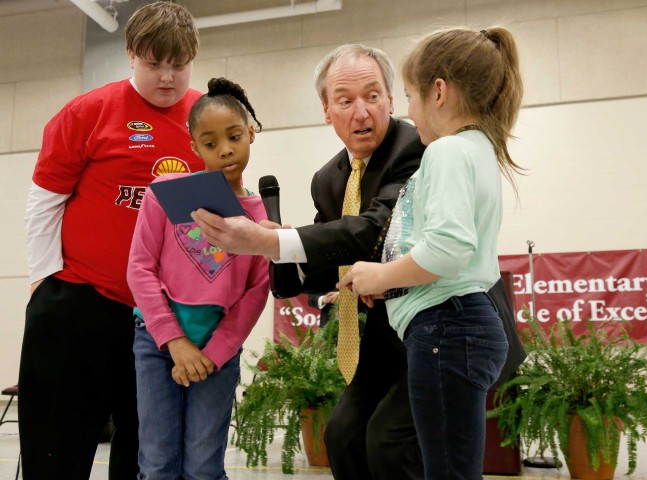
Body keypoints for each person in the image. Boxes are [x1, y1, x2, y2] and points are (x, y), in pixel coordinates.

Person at [192, 44, 426, 480]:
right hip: (379, 346)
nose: (361, 112)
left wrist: (273, 242)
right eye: (345, 100)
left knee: (387, 441)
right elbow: (324, 260)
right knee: (340, 436)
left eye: (372, 96)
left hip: (431, 335)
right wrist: (274, 246)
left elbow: (374, 230)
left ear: (391, 101)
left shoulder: (413, 147)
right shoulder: (328, 178)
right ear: (326, 110)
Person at [19, 2, 201, 478]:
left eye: (178, 65)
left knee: (146, 451)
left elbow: (205, 221)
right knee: (57, 448)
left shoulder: (206, 120)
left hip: (158, 315)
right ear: (130, 55)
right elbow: (45, 200)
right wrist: (45, 278)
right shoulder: (90, 112)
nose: (167, 77)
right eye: (153, 63)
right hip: (81, 300)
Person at [336, 26, 524, 480]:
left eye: (410, 96)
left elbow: (447, 249)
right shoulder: (480, 149)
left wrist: (380, 277)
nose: (409, 112)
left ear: (438, 92)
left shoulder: (447, 152)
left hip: (447, 326)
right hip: (460, 324)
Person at [127, 77, 269, 479]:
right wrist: (174, 342)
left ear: (251, 133)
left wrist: (212, 353)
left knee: (204, 466)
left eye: (234, 136)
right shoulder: (164, 193)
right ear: (193, 147)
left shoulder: (262, 217)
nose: (225, 149)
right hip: (157, 343)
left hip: (217, 351)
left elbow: (257, 291)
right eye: (210, 143)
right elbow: (139, 267)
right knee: (157, 464)